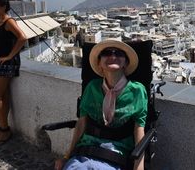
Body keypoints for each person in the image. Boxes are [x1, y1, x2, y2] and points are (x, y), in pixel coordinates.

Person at [55, 39, 148, 170]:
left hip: (116, 156)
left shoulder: (137, 91)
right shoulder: (92, 87)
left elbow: (139, 129)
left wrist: (139, 167)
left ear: (126, 63)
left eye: (119, 54)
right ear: (99, 63)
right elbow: (81, 123)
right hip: (85, 154)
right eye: (107, 53)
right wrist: (66, 157)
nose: (113, 56)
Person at [0, 0, 27, 145]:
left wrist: (10, 56)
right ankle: (3, 128)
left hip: (5, 64)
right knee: (3, 97)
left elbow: (22, 38)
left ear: (4, 7)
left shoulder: (9, 21)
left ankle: (5, 129)